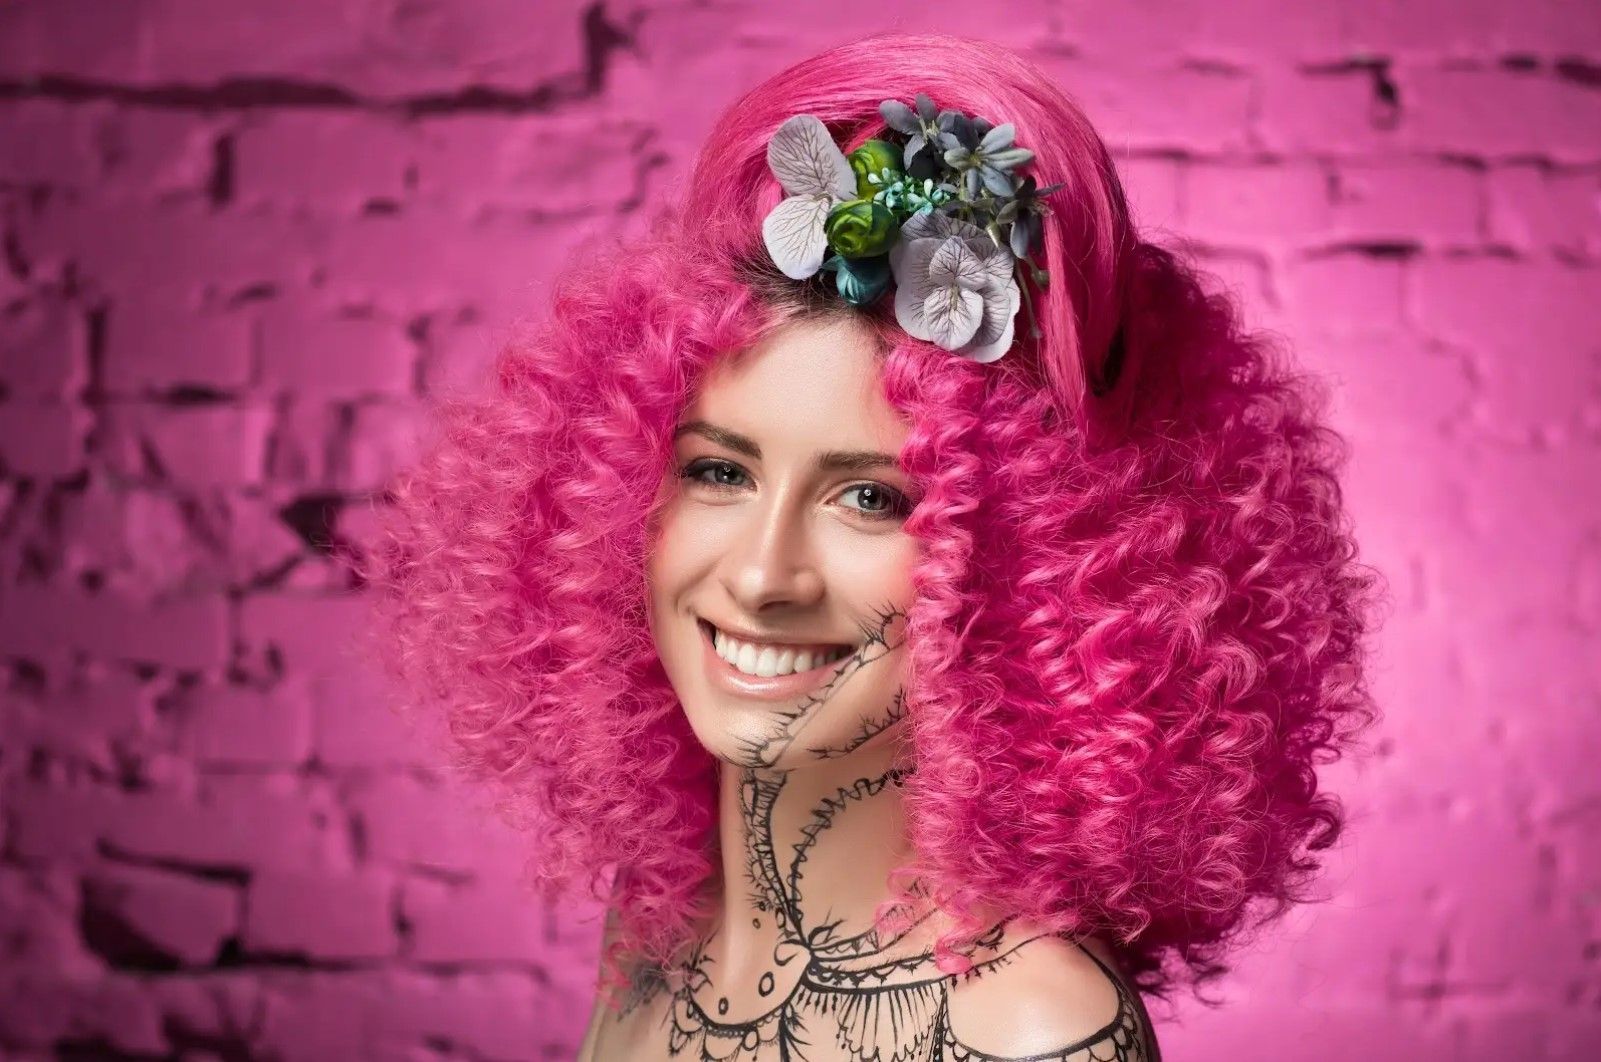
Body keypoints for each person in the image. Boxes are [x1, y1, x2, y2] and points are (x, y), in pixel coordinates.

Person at [364, 31, 1384, 1062]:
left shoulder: (1035, 1039)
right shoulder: (659, 925)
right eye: (718, 473)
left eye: (868, 498)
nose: (760, 575)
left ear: (1035, 568)